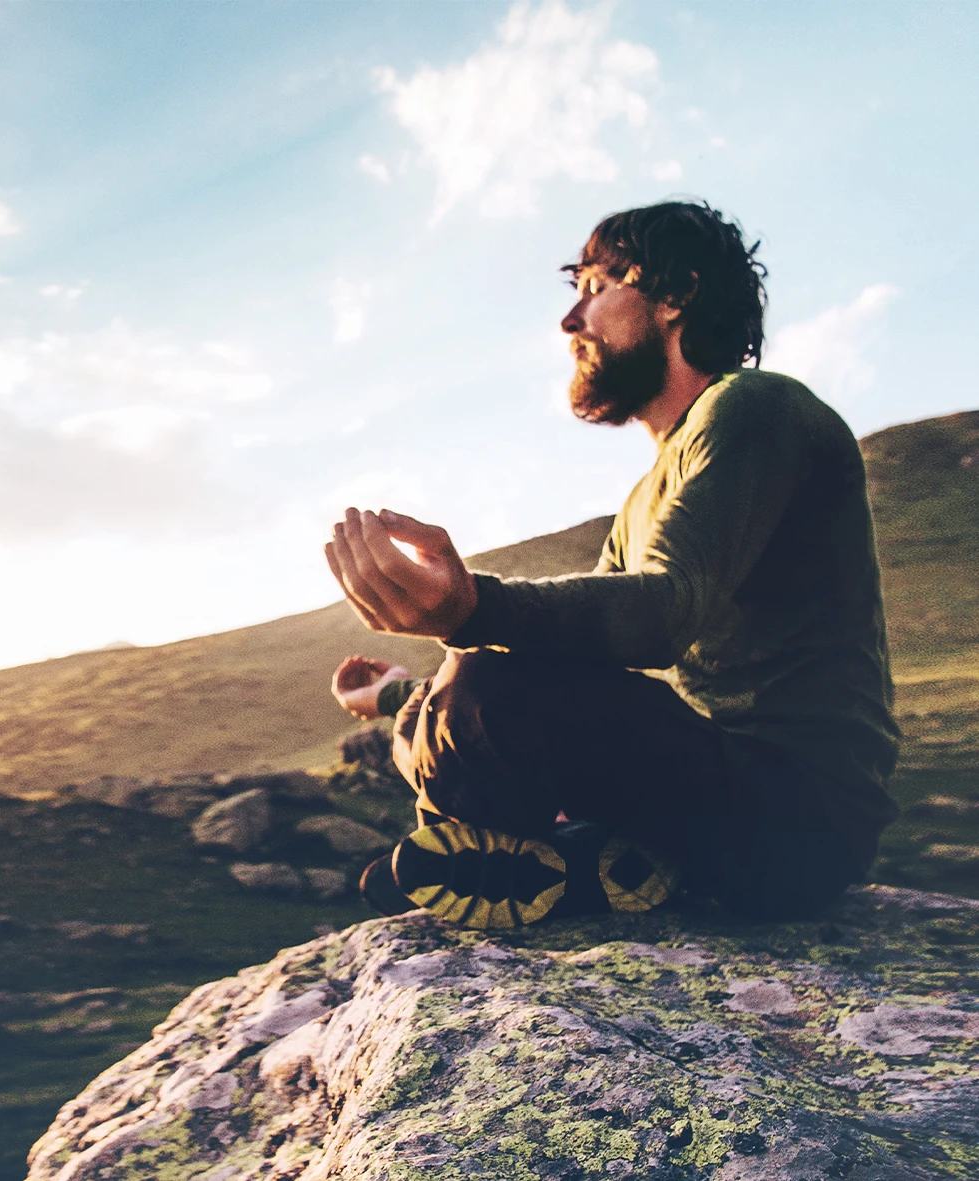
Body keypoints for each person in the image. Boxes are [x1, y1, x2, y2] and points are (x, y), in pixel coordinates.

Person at [323, 200, 899, 929]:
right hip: (716, 798)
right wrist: (400, 696)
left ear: (676, 295)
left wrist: (473, 609)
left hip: (801, 819)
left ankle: (518, 851)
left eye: (595, 286)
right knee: (465, 688)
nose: (572, 320)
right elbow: (574, 671)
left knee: (485, 680)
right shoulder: (640, 501)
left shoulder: (756, 407)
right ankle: (580, 865)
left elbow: (666, 609)